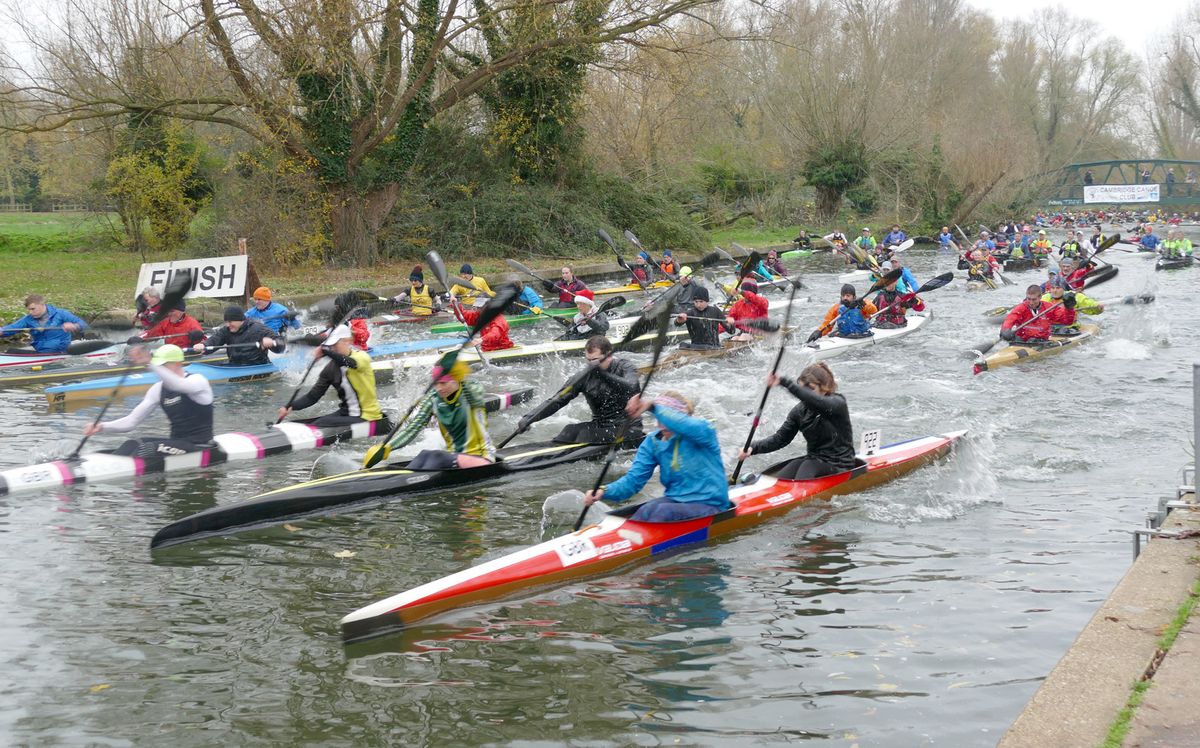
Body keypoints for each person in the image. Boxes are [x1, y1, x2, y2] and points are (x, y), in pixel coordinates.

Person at [582, 391, 731, 522]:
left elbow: (684, 424)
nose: (662, 425)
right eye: (659, 419)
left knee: (662, 511)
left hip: (711, 504)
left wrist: (652, 406)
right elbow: (632, 482)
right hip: (676, 501)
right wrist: (603, 491)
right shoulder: (652, 442)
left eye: (666, 419)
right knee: (645, 510)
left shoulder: (703, 431)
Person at [82, 344, 213, 458]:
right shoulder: (157, 389)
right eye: (159, 365)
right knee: (133, 443)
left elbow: (179, 385)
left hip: (200, 445)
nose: (161, 369)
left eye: (164, 365)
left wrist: (149, 363)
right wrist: (101, 427)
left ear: (178, 363)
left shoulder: (197, 381)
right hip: (176, 444)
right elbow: (131, 421)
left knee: (147, 448)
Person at [737, 362, 856, 480]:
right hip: (815, 460)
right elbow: (780, 439)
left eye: (810, 389)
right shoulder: (799, 412)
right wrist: (752, 448)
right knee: (794, 465)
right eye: (802, 388)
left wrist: (784, 382)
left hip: (840, 464)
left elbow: (816, 401)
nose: (804, 393)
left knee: (807, 465)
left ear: (825, 389)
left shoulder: (837, 404)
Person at [518, 335, 643, 444]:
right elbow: (558, 400)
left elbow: (632, 387)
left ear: (609, 355)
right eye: (588, 361)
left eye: (595, 360)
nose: (591, 365)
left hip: (629, 428)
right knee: (569, 431)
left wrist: (602, 374)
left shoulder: (625, 367)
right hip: (601, 426)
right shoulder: (584, 376)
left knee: (583, 435)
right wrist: (529, 418)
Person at [383, 357, 496, 470]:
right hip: (453, 458)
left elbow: (474, 391)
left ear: (456, 378)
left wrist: (455, 369)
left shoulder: (472, 391)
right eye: (436, 383)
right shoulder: (434, 398)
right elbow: (412, 429)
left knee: (437, 456)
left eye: (443, 383)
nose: (439, 388)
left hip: (481, 458)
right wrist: (387, 447)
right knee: (424, 454)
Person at [276, 324, 389, 428]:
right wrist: (289, 406)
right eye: (331, 345)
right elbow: (312, 397)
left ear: (347, 341)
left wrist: (325, 351)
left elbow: (349, 362)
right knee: (301, 424)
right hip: (346, 413)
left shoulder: (361, 357)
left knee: (320, 424)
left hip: (368, 416)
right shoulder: (329, 370)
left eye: (335, 344)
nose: (333, 348)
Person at [191, 306, 283, 365]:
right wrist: (204, 345)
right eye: (226, 322)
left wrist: (272, 343)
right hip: (235, 365)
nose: (227, 325)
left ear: (240, 320)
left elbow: (281, 346)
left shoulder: (258, 329)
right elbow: (215, 339)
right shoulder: (226, 330)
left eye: (230, 322)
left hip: (257, 367)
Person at [2, 294, 88, 353]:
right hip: (42, 352)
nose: (30, 312)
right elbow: (11, 328)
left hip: (61, 351)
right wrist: (1, 331)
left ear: (42, 305)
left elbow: (83, 324)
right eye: (28, 310)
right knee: (11, 351)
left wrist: (75, 326)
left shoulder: (61, 314)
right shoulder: (28, 319)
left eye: (33, 309)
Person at [809, 284, 877, 341]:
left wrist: (863, 303)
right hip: (845, 335)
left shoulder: (861, 304)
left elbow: (874, 310)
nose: (845, 298)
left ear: (854, 297)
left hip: (862, 334)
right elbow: (827, 324)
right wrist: (819, 332)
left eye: (848, 296)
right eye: (843, 296)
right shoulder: (836, 308)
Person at [138, 299, 205, 348]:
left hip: (187, 356)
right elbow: (150, 334)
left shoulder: (192, 324)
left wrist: (199, 338)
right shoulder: (165, 322)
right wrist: (139, 339)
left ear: (181, 311)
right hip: (170, 355)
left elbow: (204, 343)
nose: (168, 314)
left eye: (171, 311)